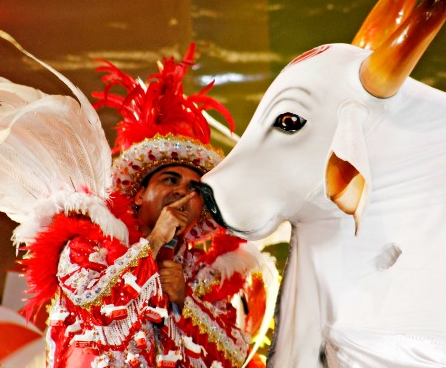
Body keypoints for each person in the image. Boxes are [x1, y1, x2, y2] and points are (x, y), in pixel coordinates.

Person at [21, 44, 275, 368]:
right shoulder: (87, 243)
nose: (183, 194)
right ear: (139, 195)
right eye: (170, 180)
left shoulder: (198, 269)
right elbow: (95, 307)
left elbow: (238, 352)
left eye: (195, 188)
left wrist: (185, 301)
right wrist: (153, 244)